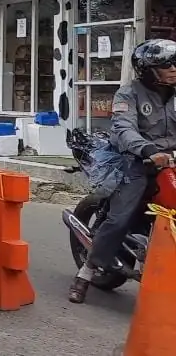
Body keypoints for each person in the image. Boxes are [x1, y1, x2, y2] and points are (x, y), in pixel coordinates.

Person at [68, 38, 176, 304]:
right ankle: (86, 272)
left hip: (171, 161)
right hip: (136, 161)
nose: (174, 68)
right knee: (119, 218)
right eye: (167, 64)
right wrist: (149, 151)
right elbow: (123, 129)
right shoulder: (127, 94)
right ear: (148, 69)